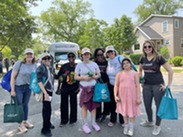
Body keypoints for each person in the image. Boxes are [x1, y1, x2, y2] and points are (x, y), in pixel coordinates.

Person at [139, 40, 173, 136]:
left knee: (159, 107)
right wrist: (141, 80)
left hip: (158, 86)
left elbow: (170, 70)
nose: (147, 48)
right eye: (145, 47)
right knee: (147, 105)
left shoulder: (158, 58)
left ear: (152, 47)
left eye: (149, 46)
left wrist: (168, 86)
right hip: (147, 86)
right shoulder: (143, 58)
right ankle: (150, 121)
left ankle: (157, 126)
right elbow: (140, 70)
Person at [74, 47, 101, 134]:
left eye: (88, 54)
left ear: (90, 55)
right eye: (84, 54)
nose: (86, 56)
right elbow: (75, 77)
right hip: (84, 89)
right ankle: (85, 124)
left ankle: (93, 122)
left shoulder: (94, 64)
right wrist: (84, 78)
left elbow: (99, 75)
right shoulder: (79, 65)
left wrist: (94, 76)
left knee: (94, 106)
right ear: (82, 56)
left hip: (93, 88)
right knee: (84, 107)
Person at [10, 48, 36, 134]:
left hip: (28, 87)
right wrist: (12, 90)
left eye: (31, 54)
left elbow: (33, 79)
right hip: (18, 87)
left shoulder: (34, 65)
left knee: (25, 105)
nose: (29, 56)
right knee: (19, 106)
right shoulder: (19, 63)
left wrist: (34, 89)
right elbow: (13, 77)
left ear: (33, 55)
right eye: (27, 54)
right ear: (25, 56)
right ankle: (20, 125)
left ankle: (25, 121)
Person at [114, 58, 141, 136]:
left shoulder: (135, 73)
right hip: (122, 96)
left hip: (132, 96)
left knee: (131, 112)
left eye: (127, 63)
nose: (126, 64)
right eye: (124, 63)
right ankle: (126, 125)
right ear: (122, 65)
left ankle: (131, 127)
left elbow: (137, 86)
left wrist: (138, 97)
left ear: (130, 64)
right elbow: (116, 85)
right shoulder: (119, 74)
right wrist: (115, 95)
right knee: (124, 112)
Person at [56, 52, 79, 127]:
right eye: (69, 57)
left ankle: (73, 120)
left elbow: (80, 78)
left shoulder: (77, 66)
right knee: (63, 104)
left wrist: (79, 87)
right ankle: (63, 120)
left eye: (72, 56)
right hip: (64, 88)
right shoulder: (64, 66)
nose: (71, 58)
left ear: (75, 58)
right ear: (68, 58)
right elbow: (59, 77)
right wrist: (58, 87)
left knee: (73, 104)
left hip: (74, 88)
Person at [105, 45, 124, 127]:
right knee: (112, 103)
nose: (110, 53)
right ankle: (113, 119)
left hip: (121, 85)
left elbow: (128, 66)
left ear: (114, 52)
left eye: (111, 51)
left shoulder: (120, 58)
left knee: (121, 102)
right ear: (106, 54)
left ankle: (122, 120)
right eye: (108, 52)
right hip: (111, 85)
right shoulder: (108, 61)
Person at [37, 53, 55, 137]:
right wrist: (45, 93)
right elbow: (39, 81)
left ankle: (48, 123)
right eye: (45, 58)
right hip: (45, 91)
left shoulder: (50, 67)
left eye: (49, 58)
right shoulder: (41, 68)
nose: (47, 60)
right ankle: (45, 129)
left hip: (49, 90)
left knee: (45, 109)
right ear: (42, 60)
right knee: (48, 110)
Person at [93, 48, 109, 122]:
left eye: (101, 54)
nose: (100, 56)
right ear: (95, 56)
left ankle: (105, 113)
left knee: (105, 98)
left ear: (104, 55)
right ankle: (98, 115)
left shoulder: (107, 63)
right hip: (97, 83)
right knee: (98, 99)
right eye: (98, 55)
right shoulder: (93, 63)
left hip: (105, 83)